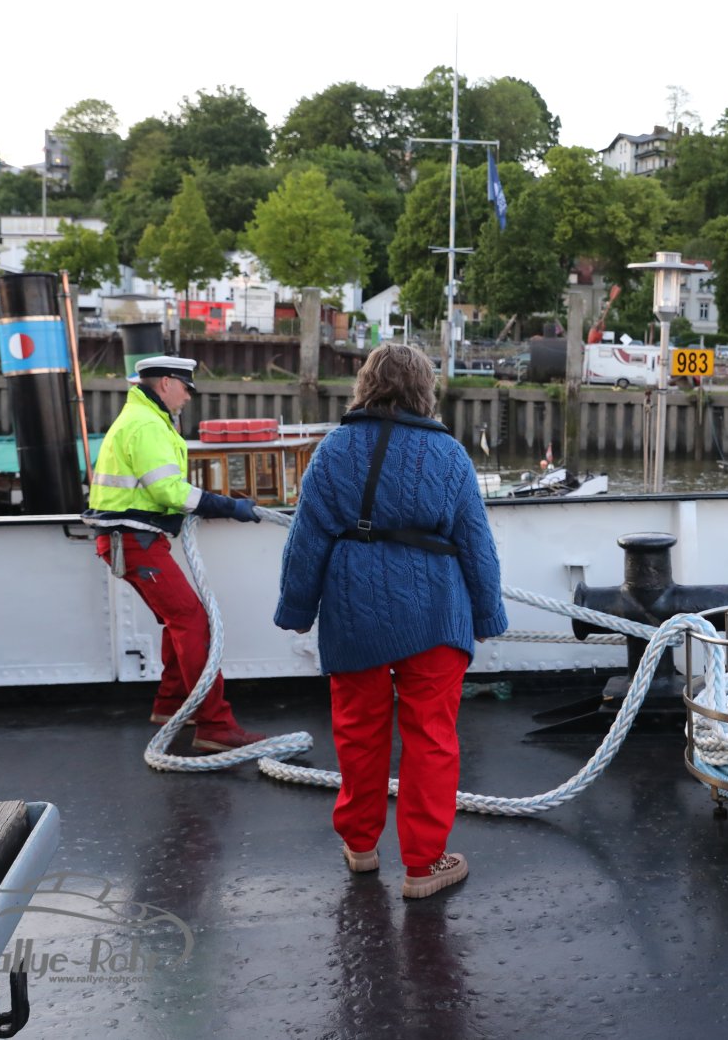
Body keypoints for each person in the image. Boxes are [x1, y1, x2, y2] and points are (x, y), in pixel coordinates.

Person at [274, 343, 508, 899]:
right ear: (424, 389)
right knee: (432, 738)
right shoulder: (449, 455)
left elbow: (305, 540)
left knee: (359, 730)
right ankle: (424, 866)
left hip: (354, 610)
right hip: (435, 613)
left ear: (365, 384)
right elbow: (477, 544)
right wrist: (487, 615)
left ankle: (360, 846)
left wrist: (297, 610)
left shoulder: (332, 450)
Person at [84, 355, 269, 753]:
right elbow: (169, 491)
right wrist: (228, 506)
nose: (187, 397)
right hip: (134, 540)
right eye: (186, 388)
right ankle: (215, 725)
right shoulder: (147, 424)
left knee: (178, 621)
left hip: (132, 539)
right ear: (166, 383)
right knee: (192, 622)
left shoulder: (142, 418)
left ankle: (171, 705)